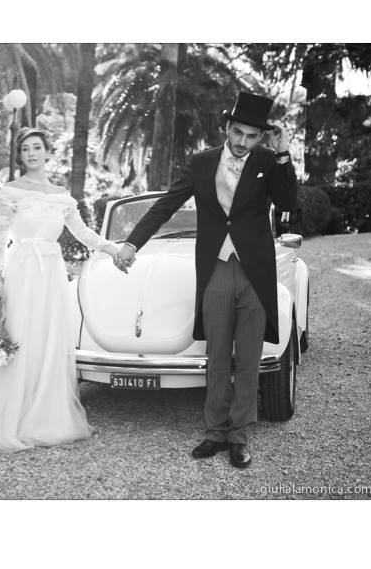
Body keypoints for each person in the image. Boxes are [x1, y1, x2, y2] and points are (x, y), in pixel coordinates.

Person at [113, 91, 298, 468]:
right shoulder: (201, 163)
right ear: (227, 128)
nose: (243, 142)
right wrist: (132, 243)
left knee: (248, 358)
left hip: (255, 272)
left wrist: (283, 155)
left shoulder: (267, 160)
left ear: (261, 137)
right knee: (217, 357)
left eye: (252, 136)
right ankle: (214, 432)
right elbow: (166, 205)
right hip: (215, 269)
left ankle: (239, 436)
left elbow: (289, 203)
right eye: (238, 132)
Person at [0, 127, 120, 452]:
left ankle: (42, 414)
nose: (31, 153)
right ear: (20, 156)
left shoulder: (62, 196)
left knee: (47, 339)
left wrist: (113, 249)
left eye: (37, 147)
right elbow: (0, 237)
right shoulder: (11, 191)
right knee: (19, 336)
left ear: (47, 152)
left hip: (51, 275)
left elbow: (83, 233)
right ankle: (8, 415)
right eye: (26, 149)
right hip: (21, 271)